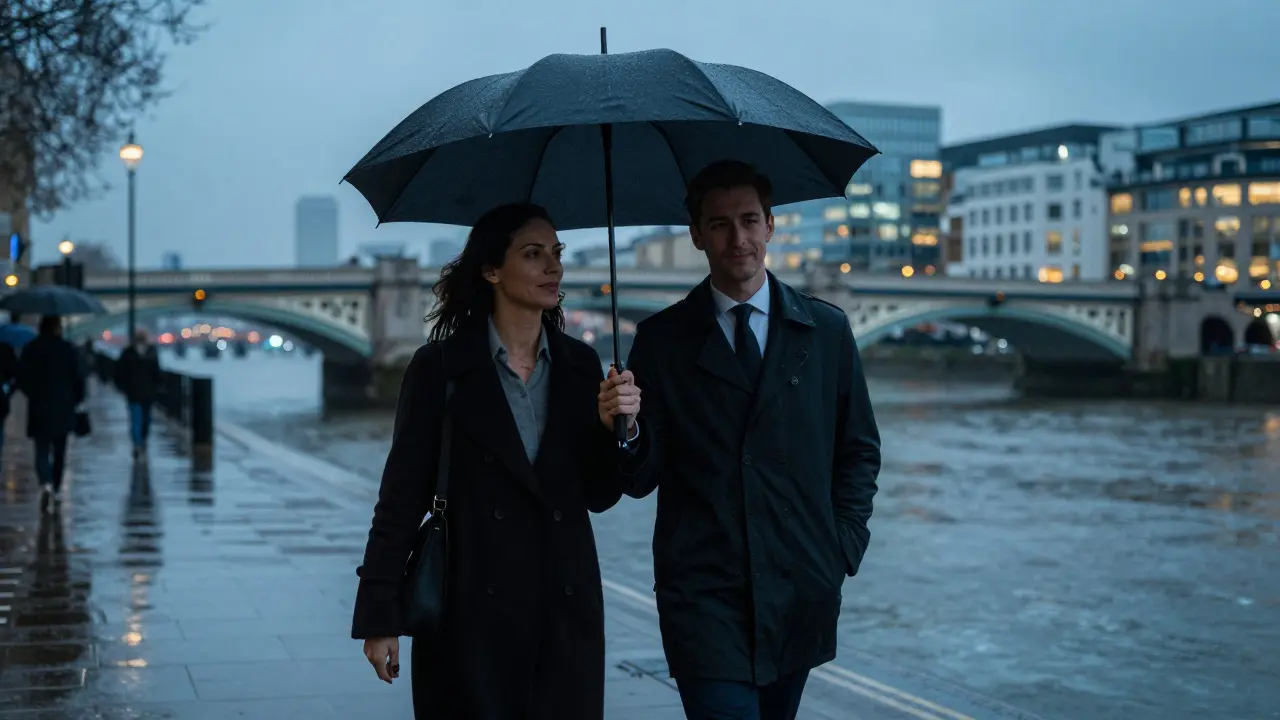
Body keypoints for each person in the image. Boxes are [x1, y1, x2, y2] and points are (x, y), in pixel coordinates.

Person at [604, 160, 882, 720]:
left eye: (750, 220)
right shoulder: (661, 341)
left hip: (799, 586)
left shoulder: (825, 331)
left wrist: (840, 549)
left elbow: (858, 450)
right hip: (704, 592)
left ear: (772, 225)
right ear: (697, 235)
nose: (739, 239)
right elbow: (638, 480)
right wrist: (627, 427)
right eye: (721, 224)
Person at [352, 203, 642, 720]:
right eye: (533, 254)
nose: (553, 267)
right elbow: (399, 499)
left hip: (565, 613)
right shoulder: (438, 369)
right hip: (470, 615)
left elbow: (598, 494)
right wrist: (380, 617)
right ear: (490, 269)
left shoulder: (580, 365)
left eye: (557, 254)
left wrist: (617, 426)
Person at [16, 315, 86, 511]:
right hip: (63, 407)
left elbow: (22, 377)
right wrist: (78, 399)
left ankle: (45, 482)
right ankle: (55, 488)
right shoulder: (68, 349)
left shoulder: (31, 348)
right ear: (57, 328)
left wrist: (33, 393)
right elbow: (78, 377)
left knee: (41, 449)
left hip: (39, 405)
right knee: (60, 451)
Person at [114, 329, 162, 460]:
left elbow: (118, 372)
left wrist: (123, 387)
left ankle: (138, 443)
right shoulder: (151, 353)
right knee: (144, 419)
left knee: (137, 420)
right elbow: (157, 373)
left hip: (136, 392)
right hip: (144, 393)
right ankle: (140, 442)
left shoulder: (128, 353)